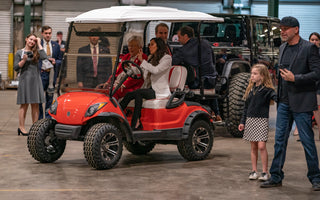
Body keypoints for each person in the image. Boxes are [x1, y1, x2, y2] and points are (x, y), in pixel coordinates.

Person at [260, 16, 320, 191]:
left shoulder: (310, 48)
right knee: (279, 141)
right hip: (284, 102)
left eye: (286, 28)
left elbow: (317, 73)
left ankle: (316, 178)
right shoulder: (283, 47)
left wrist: (296, 78)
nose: (283, 31)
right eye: (281, 29)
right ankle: (276, 176)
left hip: (302, 102)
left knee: (308, 142)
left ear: (296, 29)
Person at [120, 37, 171, 130]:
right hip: (149, 89)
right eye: (149, 45)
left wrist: (142, 61)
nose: (149, 47)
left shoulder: (167, 58)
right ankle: (120, 116)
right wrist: (129, 68)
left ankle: (135, 123)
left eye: (152, 44)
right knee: (131, 94)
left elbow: (156, 70)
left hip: (159, 91)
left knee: (139, 93)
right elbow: (142, 70)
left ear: (158, 46)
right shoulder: (151, 58)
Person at [172, 26, 221, 121]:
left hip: (199, 83)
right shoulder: (206, 43)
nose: (178, 40)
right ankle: (216, 112)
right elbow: (213, 61)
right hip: (212, 80)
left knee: (181, 86)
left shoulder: (184, 50)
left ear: (185, 36)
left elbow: (172, 62)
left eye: (179, 37)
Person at [238, 64, 277, 181]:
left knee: (261, 146)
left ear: (263, 76)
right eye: (252, 74)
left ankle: (265, 172)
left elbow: (277, 97)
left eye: (255, 74)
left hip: (261, 121)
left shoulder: (268, 91)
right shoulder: (250, 90)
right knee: (253, 147)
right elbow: (246, 108)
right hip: (250, 120)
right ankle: (254, 170)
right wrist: (242, 122)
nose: (252, 76)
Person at [14, 34, 46, 136]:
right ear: (26, 39)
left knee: (35, 104)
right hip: (25, 80)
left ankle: (34, 128)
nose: (32, 42)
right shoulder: (19, 52)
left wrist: (40, 44)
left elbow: (45, 57)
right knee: (24, 104)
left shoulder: (36, 52)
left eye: (34, 40)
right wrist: (23, 60)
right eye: (30, 39)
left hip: (35, 80)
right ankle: (21, 127)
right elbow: (15, 67)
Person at [293, 32, 320, 140]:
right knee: (304, 109)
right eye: (312, 40)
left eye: (316, 40)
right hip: (306, 85)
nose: (314, 42)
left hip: (318, 86)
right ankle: (300, 129)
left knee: (317, 110)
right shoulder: (305, 52)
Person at [39, 25, 62, 119]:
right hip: (41, 74)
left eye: (49, 33)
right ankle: (39, 120)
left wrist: (55, 61)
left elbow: (60, 60)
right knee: (39, 99)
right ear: (42, 34)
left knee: (50, 99)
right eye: (46, 33)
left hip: (51, 75)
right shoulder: (38, 44)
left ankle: (47, 120)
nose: (48, 35)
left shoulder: (56, 45)